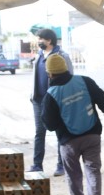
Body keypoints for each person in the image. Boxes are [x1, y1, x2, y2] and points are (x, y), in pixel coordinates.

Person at [41, 54, 104, 195]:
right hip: (92, 135)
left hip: (68, 141)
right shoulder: (85, 81)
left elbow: (49, 125)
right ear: (66, 68)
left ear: (50, 73)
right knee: (93, 170)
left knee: (73, 173)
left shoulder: (51, 94)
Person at [29, 28, 72, 176]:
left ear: (49, 40)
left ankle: (61, 165)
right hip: (38, 100)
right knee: (39, 132)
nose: (38, 41)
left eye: (41, 39)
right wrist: (32, 95)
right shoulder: (39, 56)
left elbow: (69, 77)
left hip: (56, 100)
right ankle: (37, 165)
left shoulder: (62, 56)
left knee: (60, 132)